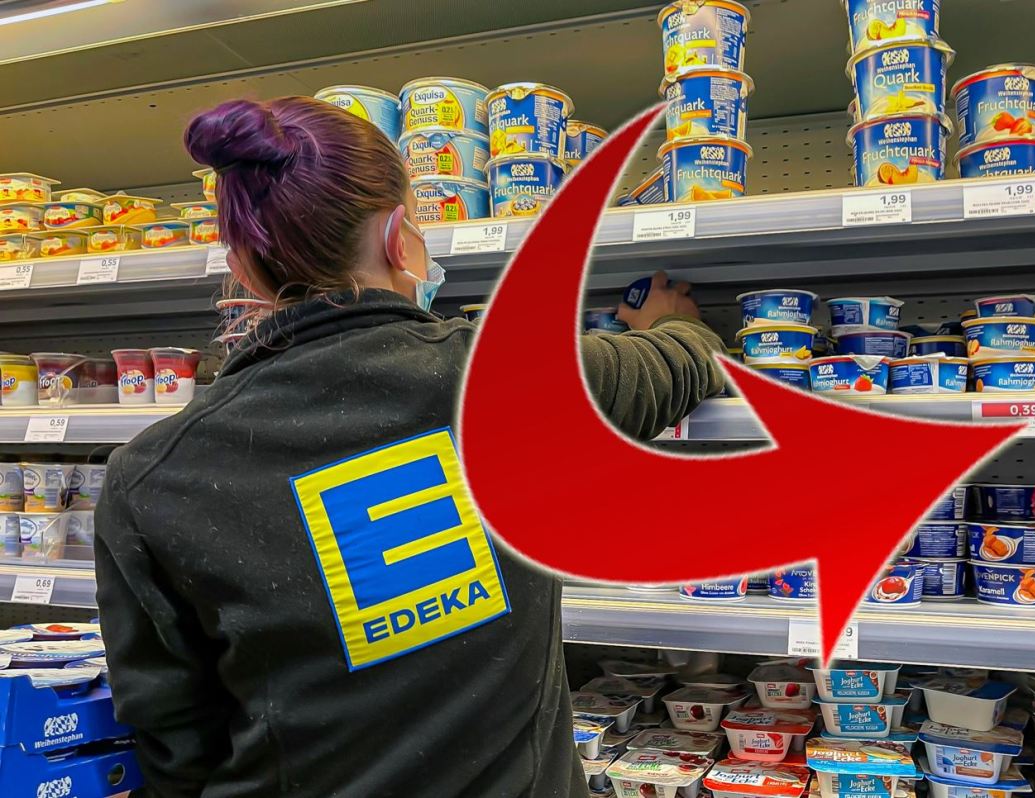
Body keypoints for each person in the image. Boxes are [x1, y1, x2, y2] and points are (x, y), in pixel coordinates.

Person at [94, 96, 725, 798]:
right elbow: (677, 365)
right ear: (401, 239)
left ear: (241, 269)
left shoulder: (147, 477)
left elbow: (176, 747)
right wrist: (676, 323)